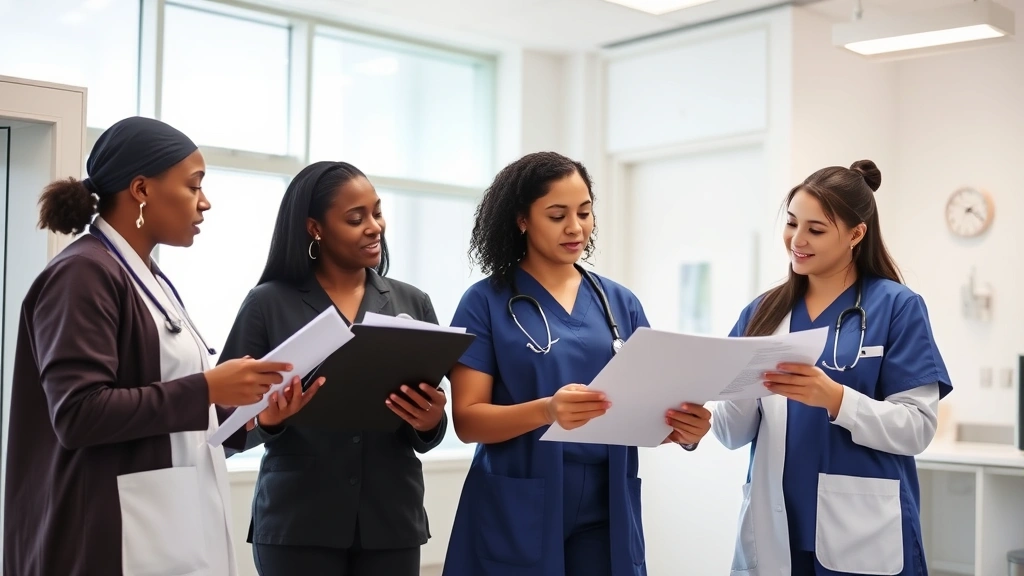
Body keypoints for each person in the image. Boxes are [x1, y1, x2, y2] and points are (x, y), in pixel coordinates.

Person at [3, 116, 319, 576]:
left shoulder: (148, 277)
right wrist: (208, 388)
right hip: (105, 533)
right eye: (194, 186)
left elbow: (174, 413)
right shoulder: (84, 274)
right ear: (142, 190)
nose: (205, 203)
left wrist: (256, 418)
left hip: (168, 520)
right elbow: (78, 413)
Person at [441, 151, 712, 576]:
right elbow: (468, 420)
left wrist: (683, 430)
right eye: (557, 214)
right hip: (521, 500)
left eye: (585, 212)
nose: (576, 227)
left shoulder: (620, 303)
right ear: (522, 220)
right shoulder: (484, 302)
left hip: (607, 508)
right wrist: (548, 410)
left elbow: (642, 411)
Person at [712, 160, 953, 576]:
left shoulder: (897, 306)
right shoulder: (762, 313)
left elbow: (918, 428)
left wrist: (837, 399)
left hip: (862, 529)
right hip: (776, 525)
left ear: (856, 234)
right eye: (791, 224)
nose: (797, 241)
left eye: (816, 230)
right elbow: (733, 433)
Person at [219, 160, 447, 576]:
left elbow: (426, 430)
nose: (374, 226)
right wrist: (269, 419)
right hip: (299, 521)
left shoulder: (413, 303)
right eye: (355, 218)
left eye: (377, 212)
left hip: (391, 521)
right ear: (314, 228)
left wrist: (431, 420)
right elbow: (224, 422)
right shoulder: (268, 304)